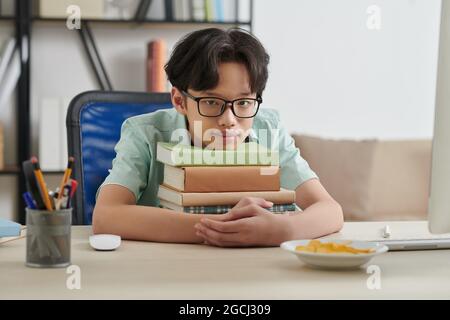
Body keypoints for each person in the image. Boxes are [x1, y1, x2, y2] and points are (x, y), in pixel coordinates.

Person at [93, 28, 343, 247]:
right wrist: (216, 228)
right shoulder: (145, 133)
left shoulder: (269, 127)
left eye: (244, 102)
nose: (229, 120)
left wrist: (283, 229)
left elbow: (330, 211)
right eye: (212, 102)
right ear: (179, 101)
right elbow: (106, 216)